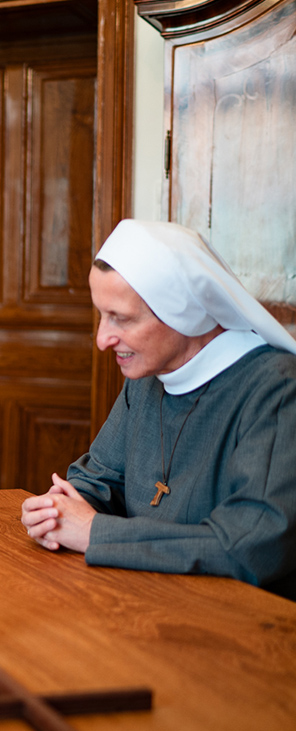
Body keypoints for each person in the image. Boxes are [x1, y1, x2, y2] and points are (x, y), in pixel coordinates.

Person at [21, 219, 296, 599]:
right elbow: (98, 480)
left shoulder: (277, 388)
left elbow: (248, 545)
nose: (102, 339)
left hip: (242, 627)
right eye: (101, 314)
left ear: (181, 311)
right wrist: (57, 510)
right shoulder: (148, 377)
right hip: (144, 602)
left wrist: (92, 532)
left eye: (121, 318)